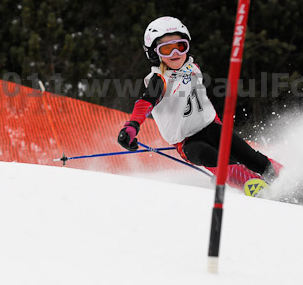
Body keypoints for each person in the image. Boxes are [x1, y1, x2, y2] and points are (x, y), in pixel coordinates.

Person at [117, 16, 282, 189]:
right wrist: (132, 126)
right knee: (213, 157)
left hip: (212, 128)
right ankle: (257, 187)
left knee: (250, 157)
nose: (175, 54)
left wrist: (218, 125)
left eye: (180, 47)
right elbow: (145, 103)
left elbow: (202, 101)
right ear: (153, 53)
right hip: (188, 142)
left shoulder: (192, 67)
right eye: (166, 49)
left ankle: (290, 181)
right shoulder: (159, 80)